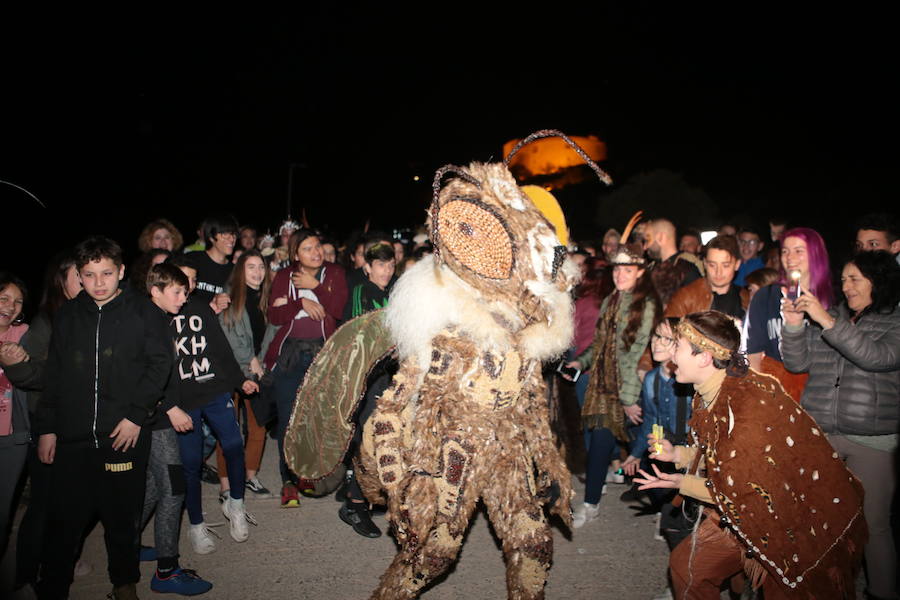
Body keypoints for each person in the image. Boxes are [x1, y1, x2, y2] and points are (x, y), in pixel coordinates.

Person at [636, 311, 866, 600]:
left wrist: (681, 483)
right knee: (687, 568)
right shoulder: (711, 390)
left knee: (786, 590)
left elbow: (740, 490)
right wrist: (678, 455)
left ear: (704, 357)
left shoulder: (744, 408)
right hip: (744, 510)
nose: (671, 356)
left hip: (787, 517)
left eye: (678, 347)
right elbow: (721, 455)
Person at [35, 236, 173, 600]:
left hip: (124, 434)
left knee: (122, 518)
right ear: (79, 276)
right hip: (72, 437)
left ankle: (124, 583)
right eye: (89, 275)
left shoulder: (143, 311)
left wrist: (136, 416)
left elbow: (160, 364)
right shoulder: (68, 315)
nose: (98, 282)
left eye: (107, 273)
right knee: (63, 520)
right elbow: (55, 373)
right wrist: (47, 427)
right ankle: (53, 586)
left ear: (121, 271)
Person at [781, 250, 900, 600]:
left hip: (872, 440)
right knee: (815, 519)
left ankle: (882, 593)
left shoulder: (895, 320)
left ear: (878, 281)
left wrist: (827, 322)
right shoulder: (832, 316)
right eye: (844, 279)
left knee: (874, 525)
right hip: (822, 434)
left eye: (855, 279)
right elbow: (797, 363)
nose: (846, 286)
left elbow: (877, 358)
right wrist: (793, 325)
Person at [565, 246, 661, 528]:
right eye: (617, 269)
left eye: (627, 270)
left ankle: (668, 512)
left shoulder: (646, 305)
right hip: (606, 387)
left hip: (632, 390)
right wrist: (580, 363)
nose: (620, 275)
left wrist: (628, 399)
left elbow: (636, 353)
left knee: (650, 449)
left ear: (640, 273)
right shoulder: (611, 300)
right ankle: (591, 504)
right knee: (600, 443)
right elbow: (599, 344)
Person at [3, 253, 82, 591]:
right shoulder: (47, 321)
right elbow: (27, 374)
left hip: (78, 423)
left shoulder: (87, 316)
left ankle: (59, 561)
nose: (88, 281)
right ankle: (24, 577)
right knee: (44, 503)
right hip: (49, 422)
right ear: (60, 282)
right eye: (79, 275)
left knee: (72, 501)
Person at [142, 264, 213, 595]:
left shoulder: (159, 318)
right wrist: (170, 407)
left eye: (186, 292)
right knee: (173, 489)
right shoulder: (148, 323)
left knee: (153, 487)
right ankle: (167, 571)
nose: (184, 299)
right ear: (155, 291)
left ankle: (125, 543)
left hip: (157, 417)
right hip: (158, 421)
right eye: (177, 292)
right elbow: (140, 374)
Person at [265, 228, 347, 507]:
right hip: (289, 354)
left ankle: (310, 473)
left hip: (322, 354)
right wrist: (300, 302)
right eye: (308, 248)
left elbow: (338, 309)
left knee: (317, 418)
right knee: (288, 419)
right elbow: (274, 315)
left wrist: (315, 286)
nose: (316, 252)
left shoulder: (333, 273)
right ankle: (288, 480)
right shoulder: (284, 276)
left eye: (317, 246)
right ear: (295, 254)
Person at [337, 241, 398, 537]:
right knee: (370, 439)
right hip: (366, 377)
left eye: (390, 265)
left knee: (383, 438)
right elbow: (363, 336)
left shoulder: (390, 293)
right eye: (380, 265)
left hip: (387, 376)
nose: (386, 271)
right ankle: (355, 505)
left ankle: (368, 496)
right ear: (367, 267)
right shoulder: (363, 291)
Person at [745, 227, 833, 402]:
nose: (790, 257)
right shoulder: (766, 296)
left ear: (815, 254)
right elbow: (753, 354)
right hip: (775, 390)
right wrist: (760, 395)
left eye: (798, 251)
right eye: (785, 251)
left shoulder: (833, 299)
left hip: (820, 394)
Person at [217, 250, 274, 500]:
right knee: (228, 429)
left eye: (261, 267)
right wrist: (250, 361)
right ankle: (226, 484)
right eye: (251, 267)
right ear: (241, 270)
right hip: (231, 371)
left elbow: (271, 334)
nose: (257, 272)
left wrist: (260, 361)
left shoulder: (267, 297)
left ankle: (250, 476)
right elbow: (228, 334)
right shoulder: (229, 296)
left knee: (258, 426)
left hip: (257, 369)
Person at [0, 273, 28, 561]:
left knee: (3, 509)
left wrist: (25, 359)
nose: (11, 306)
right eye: (4, 298)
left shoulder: (23, 334)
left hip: (11, 437)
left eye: (17, 301)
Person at [664, 235, 748, 322]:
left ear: (737, 264)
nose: (718, 272)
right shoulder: (685, 297)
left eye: (725, 265)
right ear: (704, 263)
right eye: (712, 265)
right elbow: (667, 326)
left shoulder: (746, 298)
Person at [643, 218, 702, 305]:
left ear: (660, 237)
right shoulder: (652, 268)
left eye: (647, 240)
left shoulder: (686, 271)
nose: (645, 247)